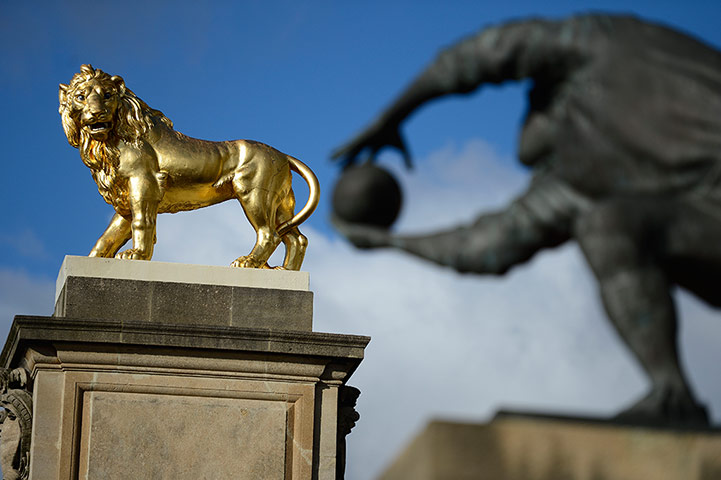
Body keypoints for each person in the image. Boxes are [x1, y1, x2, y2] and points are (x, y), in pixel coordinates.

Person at [332, 14, 721, 425]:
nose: (525, 153)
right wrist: (388, 242)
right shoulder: (572, 180)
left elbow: (483, 53)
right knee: (609, 226)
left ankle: (670, 390)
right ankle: (671, 391)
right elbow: (486, 246)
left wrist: (392, 115)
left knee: (610, 225)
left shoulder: (590, 45)